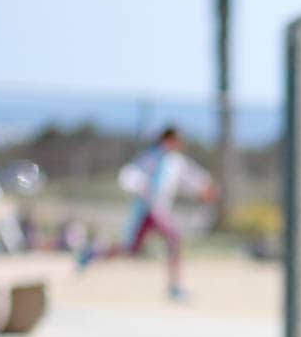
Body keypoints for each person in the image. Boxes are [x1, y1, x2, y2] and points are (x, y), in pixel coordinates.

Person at [80, 125, 217, 299]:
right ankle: (175, 287)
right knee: (174, 239)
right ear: (168, 140)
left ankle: (92, 254)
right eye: (178, 140)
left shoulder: (175, 161)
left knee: (131, 248)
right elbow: (130, 175)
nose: (181, 144)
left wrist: (204, 189)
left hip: (159, 211)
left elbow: (190, 178)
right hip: (148, 211)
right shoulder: (151, 157)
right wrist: (142, 186)